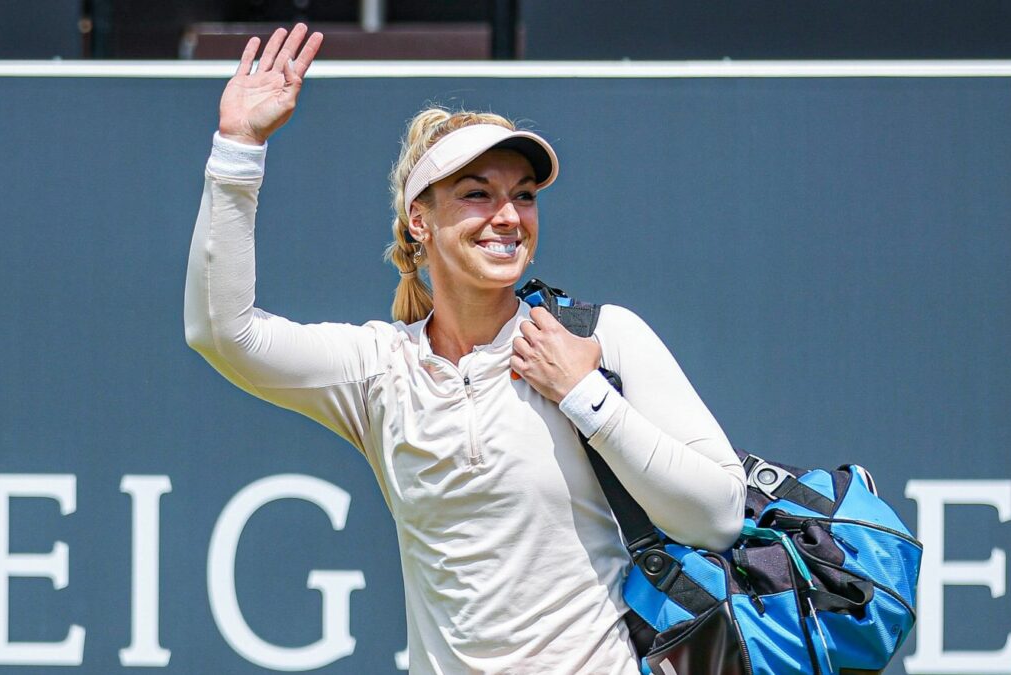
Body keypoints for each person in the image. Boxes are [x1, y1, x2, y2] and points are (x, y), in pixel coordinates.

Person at [184, 24, 748, 675]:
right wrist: (239, 148)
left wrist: (588, 397)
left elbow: (719, 516)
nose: (508, 216)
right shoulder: (379, 368)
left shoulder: (599, 338)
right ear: (419, 220)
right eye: (478, 193)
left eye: (524, 196)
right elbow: (223, 333)